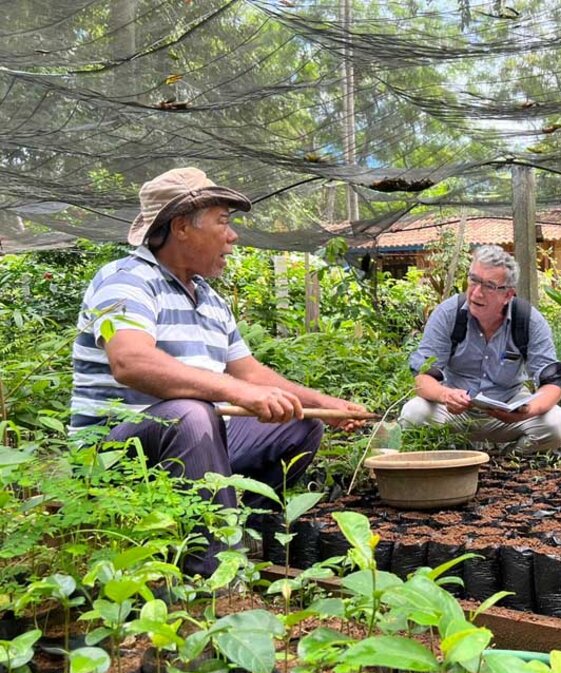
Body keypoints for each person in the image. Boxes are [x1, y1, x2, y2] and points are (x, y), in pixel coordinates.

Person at [71, 167, 369, 573]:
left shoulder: (209, 299)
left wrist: (324, 403)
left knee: (299, 423)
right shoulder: (126, 280)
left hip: (197, 440)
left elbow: (250, 374)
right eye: (223, 223)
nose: (233, 236)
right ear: (181, 227)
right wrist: (233, 393)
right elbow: (131, 362)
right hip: (113, 454)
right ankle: (211, 572)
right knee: (191, 414)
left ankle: (236, 525)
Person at [400, 245, 561, 453]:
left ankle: (509, 461)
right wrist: (446, 395)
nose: (477, 292)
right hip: (454, 411)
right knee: (413, 414)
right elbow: (423, 377)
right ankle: (453, 455)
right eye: (473, 280)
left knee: (558, 425)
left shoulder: (528, 320)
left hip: (508, 408)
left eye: (489, 286)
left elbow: (552, 384)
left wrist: (528, 411)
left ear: (508, 295)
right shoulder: (448, 314)